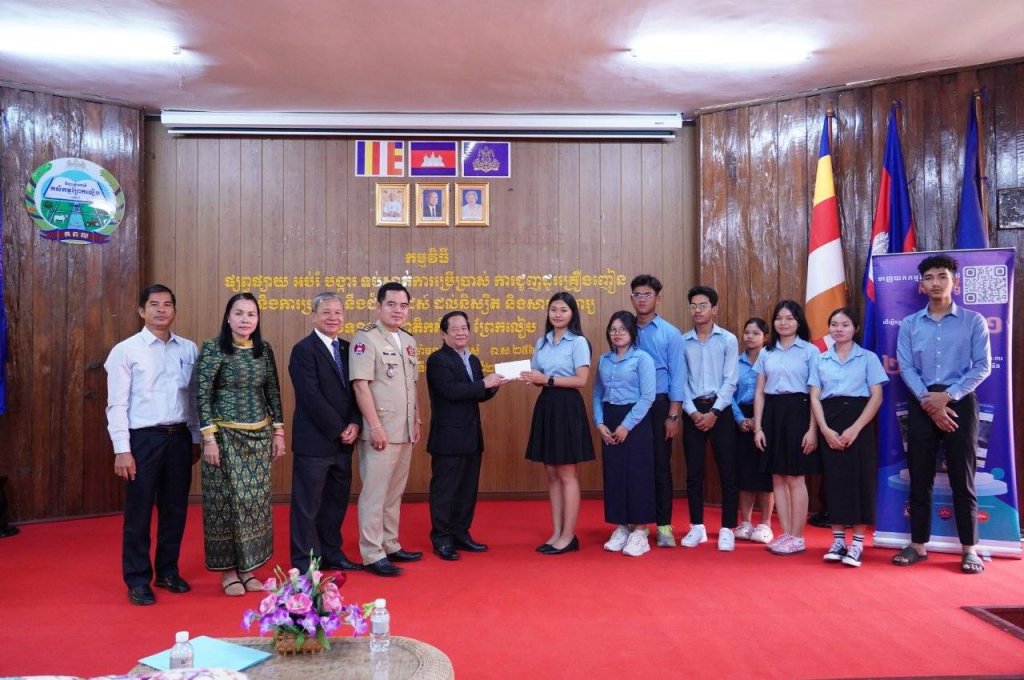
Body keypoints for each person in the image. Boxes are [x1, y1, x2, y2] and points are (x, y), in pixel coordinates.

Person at [893, 254, 991, 574]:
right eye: (929, 278)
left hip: (959, 401)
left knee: (963, 477)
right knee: (919, 476)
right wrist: (929, 402)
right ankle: (918, 544)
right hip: (921, 401)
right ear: (921, 286)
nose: (935, 283)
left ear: (954, 282)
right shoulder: (910, 324)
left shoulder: (973, 321)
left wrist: (947, 397)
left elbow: (982, 366)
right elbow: (906, 367)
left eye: (942, 277)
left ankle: (970, 548)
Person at [105, 284, 199, 606]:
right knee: (139, 512)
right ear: (141, 311)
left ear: (174, 310)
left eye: (167, 304)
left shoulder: (188, 349)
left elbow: (193, 400)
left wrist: (195, 437)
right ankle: (137, 579)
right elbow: (116, 404)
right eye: (154, 304)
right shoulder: (126, 351)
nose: (161, 310)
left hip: (180, 437)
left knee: (175, 509)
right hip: (143, 440)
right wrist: (122, 449)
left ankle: (168, 571)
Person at [197, 293, 286, 596]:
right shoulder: (213, 348)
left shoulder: (264, 349)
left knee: (253, 504)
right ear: (228, 317)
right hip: (223, 437)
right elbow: (202, 394)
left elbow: (273, 391)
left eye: (251, 314)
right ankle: (228, 572)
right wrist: (209, 438)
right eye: (239, 313)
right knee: (225, 503)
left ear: (258, 319)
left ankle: (248, 569)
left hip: (258, 438)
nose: (245, 319)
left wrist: (278, 432)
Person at [349, 282, 423, 576]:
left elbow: (412, 386)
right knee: (374, 494)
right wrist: (375, 426)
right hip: (379, 430)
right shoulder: (365, 339)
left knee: (394, 493)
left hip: (403, 429)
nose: (398, 310)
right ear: (378, 306)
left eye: (403, 306)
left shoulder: (408, 340)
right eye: (391, 304)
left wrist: (416, 420)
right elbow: (360, 386)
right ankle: (372, 552)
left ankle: (390, 543)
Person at [288, 292, 362, 573]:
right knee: (307, 506)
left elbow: (357, 389)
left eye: (338, 312)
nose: (333, 317)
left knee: (335, 502)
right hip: (315, 442)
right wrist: (339, 428)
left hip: (344, 443)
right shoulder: (303, 350)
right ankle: (306, 562)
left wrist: (355, 422)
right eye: (326, 312)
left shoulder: (348, 349)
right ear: (313, 316)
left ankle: (331, 553)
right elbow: (311, 396)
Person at [809, 308, 888, 567]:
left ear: (855, 328)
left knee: (860, 481)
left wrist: (856, 428)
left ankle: (857, 544)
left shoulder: (868, 358)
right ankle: (838, 541)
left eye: (845, 324)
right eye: (834, 324)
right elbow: (814, 397)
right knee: (834, 481)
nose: (839, 329)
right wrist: (824, 429)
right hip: (829, 420)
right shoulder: (821, 359)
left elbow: (877, 396)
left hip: (859, 420)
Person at [521, 291, 595, 554]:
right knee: (551, 473)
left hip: (567, 405)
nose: (558, 314)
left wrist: (548, 380)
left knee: (567, 472)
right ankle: (556, 532)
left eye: (563, 310)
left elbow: (581, 380)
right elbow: (538, 375)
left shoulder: (579, 342)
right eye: (553, 309)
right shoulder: (542, 342)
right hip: (547, 404)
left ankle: (569, 535)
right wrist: (530, 377)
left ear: (572, 313)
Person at [425, 311, 503, 561]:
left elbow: (477, 394)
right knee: (445, 490)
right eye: (455, 329)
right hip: (448, 437)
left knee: (467, 490)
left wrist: (495, 385)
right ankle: (442, 538)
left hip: (471, 436)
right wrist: (484, 384)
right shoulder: (437, 360)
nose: (461, 333)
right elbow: (450, 391)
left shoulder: (473, 359)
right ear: (444, 334)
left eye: (464, 328)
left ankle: (461, 533)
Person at [753, 300, 820, 556]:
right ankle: (786, 533)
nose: (784, 322)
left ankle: (798, 536)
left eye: (790, 318)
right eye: (779, 318)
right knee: (777, 476)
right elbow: (760, 392)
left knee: (795, 476)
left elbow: (815, 393)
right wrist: (758, 427)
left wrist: (812, 429)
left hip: (798, 411)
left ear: (799, 322)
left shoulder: (810, 351)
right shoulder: (766, 352)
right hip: (772, 412)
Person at [679, 286, 740, 550]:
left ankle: (727, 528)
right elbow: (680, 382)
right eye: (693, 305)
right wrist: (693, 412)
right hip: (692, 411)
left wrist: (714, 412)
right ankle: (697, 527)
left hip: (720, 411)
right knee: (694, 473)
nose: (697, 310)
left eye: (702, 305)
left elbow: (731, 380)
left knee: (728, 471)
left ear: (714, 308)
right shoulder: (682, 342)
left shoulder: (728, 340)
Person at [629, 274, 686, 548]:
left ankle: (664, 526)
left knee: (660, 467)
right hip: (630, 406)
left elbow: (678, 376)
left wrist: (673, 415)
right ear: (631, 298)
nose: (642, 299)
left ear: (658, 298)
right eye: (637, 295)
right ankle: (634, 522)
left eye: (647, 295)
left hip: (660, 405)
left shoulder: (670, 333)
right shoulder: (624, 328)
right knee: (633, 466)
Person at [594, 311, 656, 557]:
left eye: (622, 329)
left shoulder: (642, 359)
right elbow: (597, 393)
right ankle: (621, 527)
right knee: (615, 474)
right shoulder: (604, 359)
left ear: (632, 332)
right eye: (613, 329)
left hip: (635, 421)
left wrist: (626, 425)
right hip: (609, 418)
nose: (617, 333)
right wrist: (599, 423)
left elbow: (648, 396)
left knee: (638, 474)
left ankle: (640, 531)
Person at [731, 317, 775, 545]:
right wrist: (740, 419)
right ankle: (746, 522)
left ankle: (765, 524)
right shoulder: (735, 362)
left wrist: (759, 421)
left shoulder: (771, 360)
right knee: (745, 474)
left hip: (767, 418)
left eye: (755, 333)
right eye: (747, 332)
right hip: (740, 419)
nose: (749, 336)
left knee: (765, 475)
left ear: (765, 337)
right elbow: (728, 393)